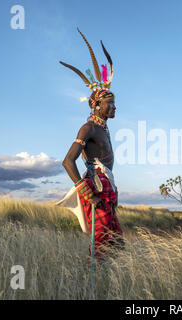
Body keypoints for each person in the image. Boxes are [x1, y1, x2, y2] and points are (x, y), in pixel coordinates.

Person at [56, 28, 123, 260]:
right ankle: (88, 287)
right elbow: (67, 161)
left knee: (116, 241)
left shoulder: (103, 127)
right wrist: (87, 194)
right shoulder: (89, 128)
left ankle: (109, 283)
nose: (114, 107)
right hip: (96, 187)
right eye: (110, 104)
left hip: (106, 186)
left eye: (114, 103)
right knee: (102, 240)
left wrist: (112, 188)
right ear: (96, 105)